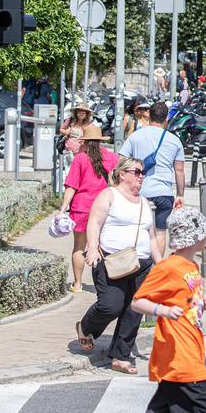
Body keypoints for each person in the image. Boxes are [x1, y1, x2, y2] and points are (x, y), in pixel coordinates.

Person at [79, 208, 206, 413]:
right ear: (191, 238)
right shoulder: (170, 267)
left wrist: (202, 303)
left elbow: (187, 302)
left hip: (184, 354)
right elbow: (138, 302)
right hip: (183, 359)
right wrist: (163, 310)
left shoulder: (191, 267)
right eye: (202, 233)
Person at [76, 157, 161, 374]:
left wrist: (160, 263)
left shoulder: (143, 202)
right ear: (122, 174)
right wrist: (92, 247)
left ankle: (120, 356)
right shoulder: (109, 195)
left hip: (141, 263)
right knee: (110, 305)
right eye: (137, 172)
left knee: (134, 310)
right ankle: (86, 327)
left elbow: (150, 236)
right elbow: (94, 222)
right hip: (112, 260)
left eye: (143, 173)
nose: (141, 176)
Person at [120, 100, 185, 255]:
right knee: (160, 232)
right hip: (163, 193)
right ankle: (157, 269)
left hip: (138, 191)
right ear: (166, 120)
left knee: (137, 229)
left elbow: (121, 161)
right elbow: (180, 171)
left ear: (149, 118)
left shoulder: (135, 137)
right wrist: (180, 195)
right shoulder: (174, 140)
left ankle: (137, 264)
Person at [61, 125, 119, 293]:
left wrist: (62, 208)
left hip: (81, 208)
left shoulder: (80, 158)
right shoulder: (112, 158)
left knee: (79, 247)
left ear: (84, 141)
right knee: (101, 246)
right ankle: (104, 286)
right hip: (104, 208)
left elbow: (71, 186)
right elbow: (116, 183)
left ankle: (78, 284)